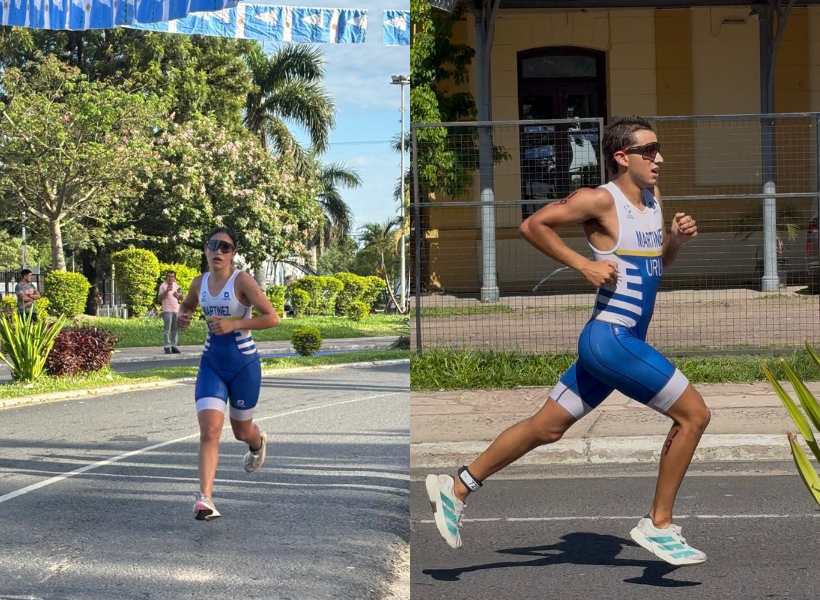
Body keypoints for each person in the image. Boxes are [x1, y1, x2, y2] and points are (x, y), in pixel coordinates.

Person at [425, 116, 711, 566]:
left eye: (659, 149)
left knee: (547, 427)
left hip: (620, 343)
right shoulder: (599, 199)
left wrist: (674, 241)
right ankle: (657, 524)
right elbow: (533, 225)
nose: (659, 158)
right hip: (610, 339)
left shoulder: (654, 201)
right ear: (622, 157)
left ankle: (457, 486)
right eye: (649, 150)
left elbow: (654, 269)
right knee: (694, 415)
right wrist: (584, 266)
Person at [177, 227, 280, 520]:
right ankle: (205, 499)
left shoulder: (242, 281)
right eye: (213, 245)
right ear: (205, 250)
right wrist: (184, 317)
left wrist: (234, 325)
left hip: (244, 365)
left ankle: (257, 442)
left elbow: (272, 318)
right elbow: (187, 305)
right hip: (211, 364)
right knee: (209, 431)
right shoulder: (199, 282)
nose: (218, 252)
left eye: (225, 247)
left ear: (233, 254)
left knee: (240, 432)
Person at [158, 270, 184, 354]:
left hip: (176, 310)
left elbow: (181, 297)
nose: (170, 278)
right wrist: (166, 291)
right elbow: (159, 298)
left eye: (172, 276)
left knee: (175, 329)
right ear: (167, 277)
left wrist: (179, 295)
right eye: (169, 276)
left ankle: (174, 346)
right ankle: (167, 346)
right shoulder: (163, 286)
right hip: (167, 310)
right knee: (167, 329)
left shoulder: (177, 286)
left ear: (174, 278)